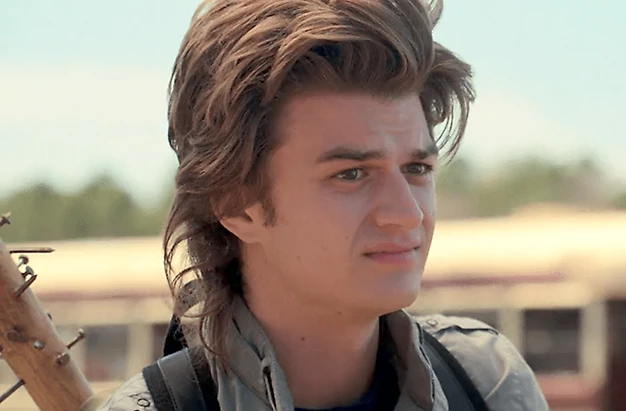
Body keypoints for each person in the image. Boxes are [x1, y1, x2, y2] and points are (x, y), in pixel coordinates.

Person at [93, 0, 549, 410]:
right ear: (236, 205)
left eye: (417, 169)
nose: (407, 213)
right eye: (350, 174)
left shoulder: (486, 384)